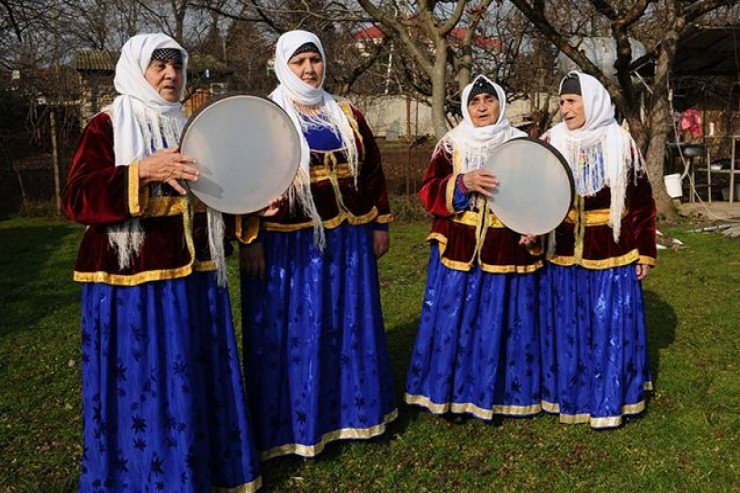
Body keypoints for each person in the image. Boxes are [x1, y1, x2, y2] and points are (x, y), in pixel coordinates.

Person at [62, 33, 261, 492]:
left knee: (195, 378)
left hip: (197, 277)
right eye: (159, 66)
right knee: (141, 384)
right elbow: (75, 198)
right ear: (138, 69)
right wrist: (140, 172)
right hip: (132, 284)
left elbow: (217, 195)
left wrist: (251, 208)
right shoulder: (107, 125)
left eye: (177, 66)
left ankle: (200, 473)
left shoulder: (197, 127)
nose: (171, 75)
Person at [239, 30, 396, 460]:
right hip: (289, 244)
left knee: (346, 324)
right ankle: (294, 424)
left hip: (347, 239)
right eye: (299, 62)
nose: (309, 70)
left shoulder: (346, 112)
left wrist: (380, 223)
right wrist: (250, 237)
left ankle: (353, 414)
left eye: (315, 60)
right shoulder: (267, 114)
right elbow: (245, 180)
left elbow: (372, 173)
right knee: (293, 332)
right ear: (283, 66)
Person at [405, 75, 543, 422]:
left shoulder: (522, 144)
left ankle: (502, 395)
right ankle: (451, 393)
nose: (482, 108)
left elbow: (541, 194)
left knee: (502, 322)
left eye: (489, 100)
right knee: (454, 321)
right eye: (474, 102)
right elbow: (427, 192)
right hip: (459, 248)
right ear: (466, 108)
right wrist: (462, 182)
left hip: (506, 248)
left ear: (501, 103)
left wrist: (536, 228)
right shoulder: (452, 144)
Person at [539, 71, 656, 428]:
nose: (565, 109)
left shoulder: (620, 142)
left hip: (612, 250)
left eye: (572, 101)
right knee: (568, 325)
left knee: (609, 324)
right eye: (561, 102)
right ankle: (571, 397)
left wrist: (646, 251)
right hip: (562, 251)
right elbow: (535, 194)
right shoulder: (550, 141)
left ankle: (609, 399)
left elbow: (641, 202)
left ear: (591, 101)